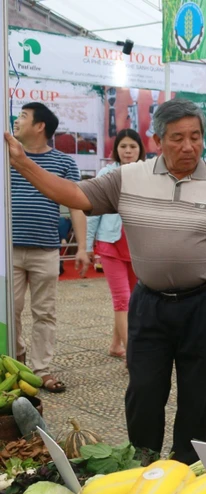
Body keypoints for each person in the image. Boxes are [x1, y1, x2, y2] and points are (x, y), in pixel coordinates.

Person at [4, 98, 206, 464]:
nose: (188, 146)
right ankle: (142, 463)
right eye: (178, 138)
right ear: (158, 140)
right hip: (150, 303)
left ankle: (187, 469)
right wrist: (21, 162)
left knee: (198, 394)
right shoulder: (129, 177)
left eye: (195, 137)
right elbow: (73, 195)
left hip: (204, 304)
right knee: (144, 391)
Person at [11, 102, 89, 393]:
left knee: (44, 312)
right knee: (10, 308)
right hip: (9, 253)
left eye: (23, 116)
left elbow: (76, 206)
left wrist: (82, 247)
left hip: (45, 249)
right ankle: (16, 359)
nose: (16, 121)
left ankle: (40, 369)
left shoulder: (64, 163)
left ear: (40, 126)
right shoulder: (7, 157)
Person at [86, 129, 144, 360]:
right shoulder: (106, 173)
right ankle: (132, 354)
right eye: (123, 147)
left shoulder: (146, 174)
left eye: (132, 146)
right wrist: (88, 245)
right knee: (122, 299)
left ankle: (115, 345)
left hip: (137, 245)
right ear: (116, 150)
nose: (128, 151)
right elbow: (92, 212)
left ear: (140, 149)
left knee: (131, 298)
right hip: (110, 242)